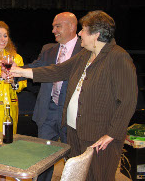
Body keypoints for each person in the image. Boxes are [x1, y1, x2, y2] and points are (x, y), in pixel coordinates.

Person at [10, 10, 138, 181]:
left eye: (83, 30)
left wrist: (112, 133)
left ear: (96, 34)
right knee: (77, 176)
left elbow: (128, 100)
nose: (79, 33)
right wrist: (20, 71)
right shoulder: (85, 54)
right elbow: (58, 70)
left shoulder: (118, 58)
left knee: (97, 176)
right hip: (74, 131)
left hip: (98, 137)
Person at [22, 12, 82, 181]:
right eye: (53, 26)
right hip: (48, 111)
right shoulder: (49, 50)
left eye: (58, 26)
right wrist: (14, 71)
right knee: (43, 160)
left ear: (71, 27)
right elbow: (36, 67)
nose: (53, 30)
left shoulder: (84, 51)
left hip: (71, 113)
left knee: (73, 160)